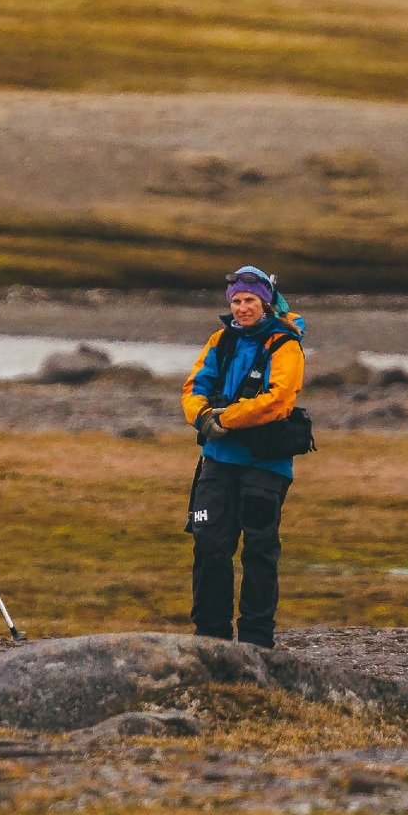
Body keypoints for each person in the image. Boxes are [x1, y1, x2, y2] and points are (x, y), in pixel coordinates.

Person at [179, 266, 308, 648]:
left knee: (259, 549)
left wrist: (227, 420)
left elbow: (280, 399)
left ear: (265, 302)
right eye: (236, 301)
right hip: (218, 460)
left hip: (265, 464)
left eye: (250, 300)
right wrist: (201, 417)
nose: (242, 308)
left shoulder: (285, 344)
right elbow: (194, 386)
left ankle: (255, 638)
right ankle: (210, 634)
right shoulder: (220, 340)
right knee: (209, 545)